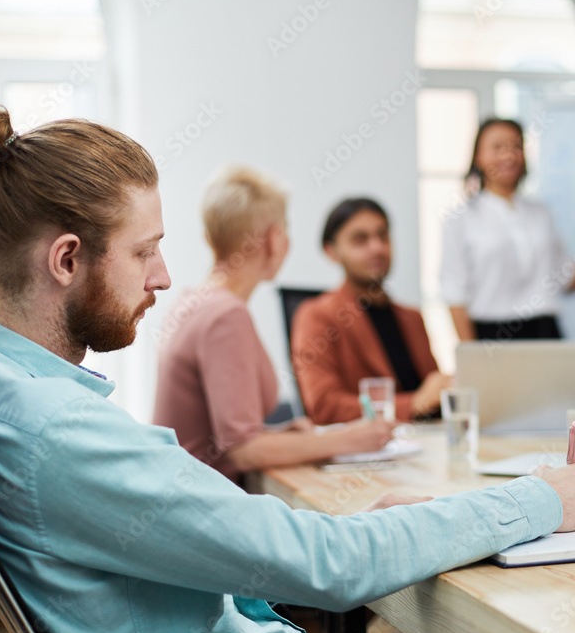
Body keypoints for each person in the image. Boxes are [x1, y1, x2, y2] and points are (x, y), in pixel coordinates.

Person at [0, 106, 575, 633]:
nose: (163, 275)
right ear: (66, 259)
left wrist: (332, 537)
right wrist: (541, 498)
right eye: (144, 249)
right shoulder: (55, 428)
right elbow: (335, 569)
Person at [152, 167, 395, 486]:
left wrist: (278, 434)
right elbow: (244, 451)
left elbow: (219, 434)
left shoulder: (193, 301)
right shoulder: (226, 315)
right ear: (273, 240)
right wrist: (352, 438)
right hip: (205, 505)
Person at [440, 118, 575, 342]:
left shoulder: (540, 213)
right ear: (478, 157)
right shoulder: (461, 219)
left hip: (544, 332)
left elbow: (567, 278)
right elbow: (454, 294)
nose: (509, 156)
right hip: (490, 337)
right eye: (497, 147)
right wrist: (472, 358)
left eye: (516, 146)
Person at [292, 198, 450, 425]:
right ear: (332, 252)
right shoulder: (317, 316)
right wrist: (413, 403)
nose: (377, 248)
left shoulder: (412, 318)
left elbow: (434, 393)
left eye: (383, 236)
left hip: (428, 443)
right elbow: (324, 407)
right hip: (368, 453)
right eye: (360, 240)